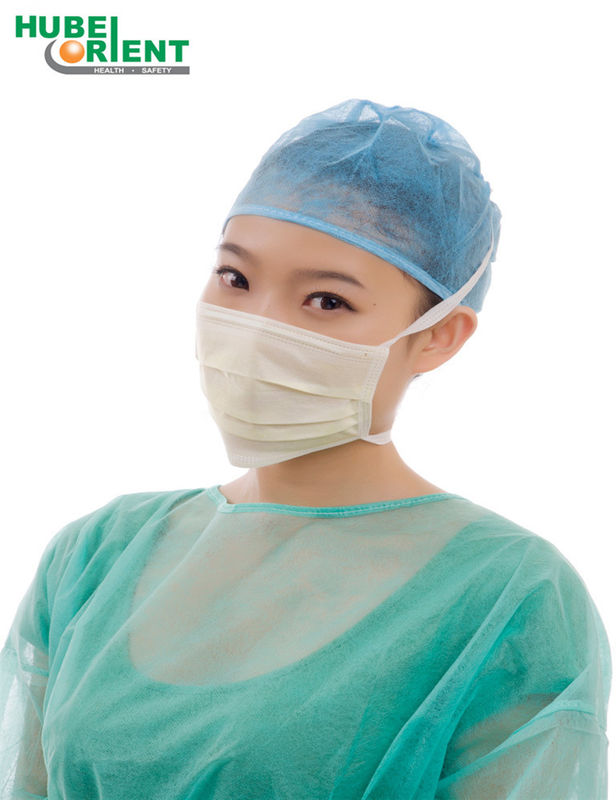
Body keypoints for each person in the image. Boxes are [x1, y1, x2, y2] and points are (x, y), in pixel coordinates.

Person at [0, 98, 610, 799]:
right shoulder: (97, 554)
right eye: (235, 278)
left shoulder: (508, 593)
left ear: (438, 336)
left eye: (326, 300)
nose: (258, 329)